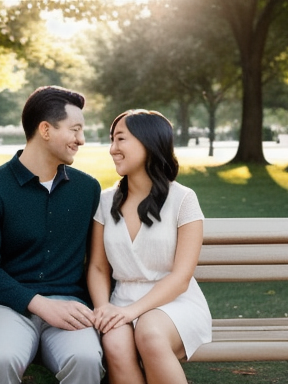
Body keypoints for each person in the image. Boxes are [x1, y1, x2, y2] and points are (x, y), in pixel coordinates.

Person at [0, 86, 104, 384]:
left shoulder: (87, 189)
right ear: (45, 129)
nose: (81, 140)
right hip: (0, 306)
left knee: (87, 360)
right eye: (75, 129)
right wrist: (40, 304)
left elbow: (101, 261)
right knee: (0, 360)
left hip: (70, 306)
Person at [87, 110, 212, 384]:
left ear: (149, 142)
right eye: (112, 140)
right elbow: (97, 266)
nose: (112, 149)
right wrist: (103, 308)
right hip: (120, 301)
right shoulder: (105, 201)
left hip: (176, 303)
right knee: (116, 344)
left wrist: (132, 313)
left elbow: (180, 279)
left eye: (121, 139)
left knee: (150, 333)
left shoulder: (183, 199)